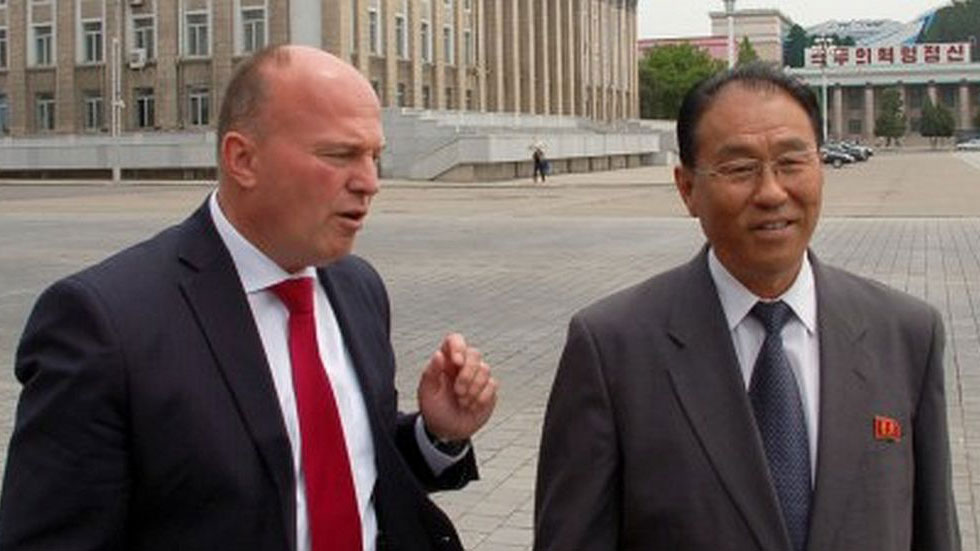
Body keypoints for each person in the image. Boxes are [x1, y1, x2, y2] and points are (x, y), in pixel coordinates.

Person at [0, 45, 497, 551]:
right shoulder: (104, 324)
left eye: (375, 156)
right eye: (340, 155)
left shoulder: (358, 288)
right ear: (243, 159)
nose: (369, 182)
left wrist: (437, 436)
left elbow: (349, 465)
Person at [534, 63, 959, 551]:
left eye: (792, 162)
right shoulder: (612, 348)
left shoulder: (906, 334)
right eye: (740, 169)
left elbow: (934, 532)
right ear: (687, 188)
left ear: (820, 167)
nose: (772, 192)